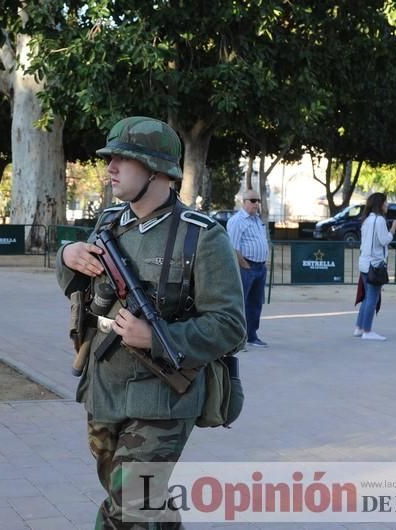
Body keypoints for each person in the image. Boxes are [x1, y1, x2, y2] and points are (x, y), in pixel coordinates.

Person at [56, 116, 246, 528]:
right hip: (104, 389)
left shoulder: (202, 236)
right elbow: (82, 288)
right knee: (139, 501)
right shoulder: (109, 222)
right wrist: (67, 255)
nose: (110, 168)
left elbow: (230, 326)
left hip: (163, 396)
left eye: (123, 159)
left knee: (128, 507)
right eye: (110, 158)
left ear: (157, 170)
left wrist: (157, 338)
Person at [354, 193, 396, 341]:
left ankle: (359, 327)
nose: (387, 205)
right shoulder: (379, 220)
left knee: (367, 297)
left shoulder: (367, 220)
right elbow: (384, 240)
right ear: (379, 204)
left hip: (364, 262)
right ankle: (367, 331)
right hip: (374, 264)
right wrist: (394, 228)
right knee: (372, 299)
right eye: (385, 202)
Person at [226, 189, 269, 347]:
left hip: (260, 267)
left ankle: (251, 336)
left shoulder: (257, 220)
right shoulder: (237, 221)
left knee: (256, 303)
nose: (256, 204)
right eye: (252, 200)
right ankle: (237, 339)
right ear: (243, 202)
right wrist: (245, 266)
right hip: (246, 268)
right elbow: (232, 247)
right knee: (240, 304)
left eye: (258, 200)